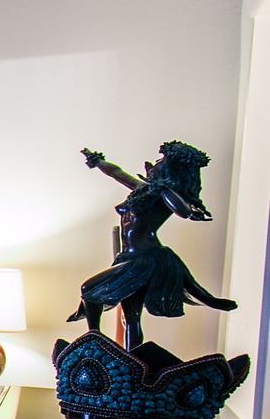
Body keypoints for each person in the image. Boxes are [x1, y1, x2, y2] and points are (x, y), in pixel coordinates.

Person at [70, 141, 235, 348]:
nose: (153, 164)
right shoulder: (143, 190)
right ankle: (131, 355)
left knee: (89, 289)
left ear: (169, 169)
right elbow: (117, 173)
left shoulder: (165, 194)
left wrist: (164, 189)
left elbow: (183, 211)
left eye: (159, 162)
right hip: (127, 256)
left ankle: (94, 340)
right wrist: (97, 161)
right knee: (131, 316)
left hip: (144, 258)